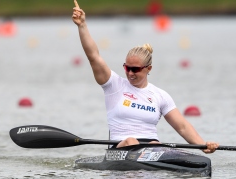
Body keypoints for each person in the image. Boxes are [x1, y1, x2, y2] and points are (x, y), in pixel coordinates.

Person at [72, 7, 219, 153]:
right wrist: (82, 26)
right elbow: (94, 57)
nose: (130, 73)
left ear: (148, 69)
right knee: (132, 141)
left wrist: (203, 146)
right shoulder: (114, 85)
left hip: (152, 148)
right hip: (122, 148)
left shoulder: (160, 96)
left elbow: (182, 126)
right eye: (126, 68)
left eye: (135, 69)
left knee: (155, 143)